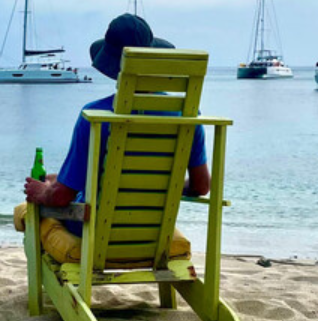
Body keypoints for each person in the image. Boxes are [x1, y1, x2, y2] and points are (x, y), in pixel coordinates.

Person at [22, 14, 209, 236]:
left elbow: (62, 197)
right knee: (56, 180)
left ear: (114, 66)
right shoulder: (186, 117)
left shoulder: (95, 117)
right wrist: (161, 188)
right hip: (152, 232)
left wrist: (43, 193)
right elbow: (201, 186)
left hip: (98, 232)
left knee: (39, 202)